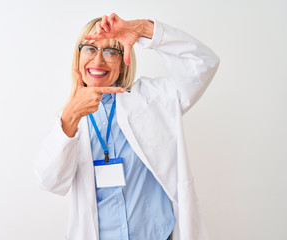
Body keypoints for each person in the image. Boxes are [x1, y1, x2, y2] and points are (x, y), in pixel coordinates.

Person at [35, 13, 219, 240]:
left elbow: (203, 63)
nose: (98, 61)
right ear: (78, 56)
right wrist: (70, 118)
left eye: (111, 51)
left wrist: (144, 29)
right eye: (90, 49)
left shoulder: (152, 99)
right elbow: (50, 182)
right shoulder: (69, 119)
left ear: (123, 64)